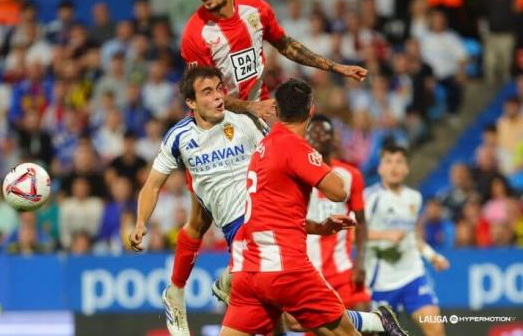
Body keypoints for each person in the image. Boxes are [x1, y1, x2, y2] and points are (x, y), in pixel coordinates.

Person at [129, 68, 404, 336]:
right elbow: (152, 185)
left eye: (219, 89)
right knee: (198, 225)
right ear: (190, 102)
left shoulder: (248, 125)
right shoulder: (181, 137)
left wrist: (316, 223)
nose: (217, 97)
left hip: (252, 247)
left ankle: (374, 320)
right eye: (207, 92)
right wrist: (141, 221)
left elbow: (276, 184)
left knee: (292, 321)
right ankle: (179, 290)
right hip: (254, 247)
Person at [222, 79, 405, 336]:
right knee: (344, 333)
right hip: (285, 267)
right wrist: (316, 158)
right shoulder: (295, 146)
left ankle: (376, 321)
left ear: (276, 109)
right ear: (310, 110)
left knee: (303, 324)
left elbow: (271, 214)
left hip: (248, 269)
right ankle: (376, 321)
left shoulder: (262, 147)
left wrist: (319, 227)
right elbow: (338, 190)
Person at [181, 0, 366, 120]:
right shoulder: (195, 34)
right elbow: (202, 95)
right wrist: (250, 107)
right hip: (219, 122)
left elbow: (287, 46)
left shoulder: (256, 9)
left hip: (259, 112)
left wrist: (336, 67)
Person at [365, 144, 451, 336]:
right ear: (380, 168)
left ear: (406, 168)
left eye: (399, 162)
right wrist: (385, 235)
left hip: (412, 275)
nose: (394, 167)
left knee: (435, 328)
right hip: (381, 280)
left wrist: (432, 256)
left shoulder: (414, 198)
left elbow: (412, 235)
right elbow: (354, 233)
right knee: (373, 333)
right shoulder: (370, 197)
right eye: (388, 161)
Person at [305, 114, 371, 312]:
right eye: (313, 134)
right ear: (304, 139)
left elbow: (362, 223)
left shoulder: (351, 176)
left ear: (333, 139)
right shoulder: (296, 176)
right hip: (310, 275)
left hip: (343, 270)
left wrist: (360, 263)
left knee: (368, 322)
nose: (318, 138)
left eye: (324, 133)